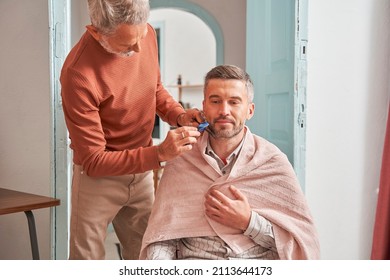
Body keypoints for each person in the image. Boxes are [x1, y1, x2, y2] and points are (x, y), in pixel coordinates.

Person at [60, 0, 203, 260]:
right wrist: (159, 154)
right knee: (86, 262)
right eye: (127, 45)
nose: (138, 48)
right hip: (98, 179)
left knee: (147, 256)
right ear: (96, 32)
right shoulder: (77, 74)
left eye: (141, 36)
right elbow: (94, 161)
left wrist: (179, 116)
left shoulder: (144, 34)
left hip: (142, 173)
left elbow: (155, 89)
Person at [139, 65, 320, 260]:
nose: (224, 111)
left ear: (249, 110)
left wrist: (248, 222)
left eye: (234, 102)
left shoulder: (272, 160)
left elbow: (296, 241)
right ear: (204, 107)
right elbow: (162, 237)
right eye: (215, 101)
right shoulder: (182, 157)